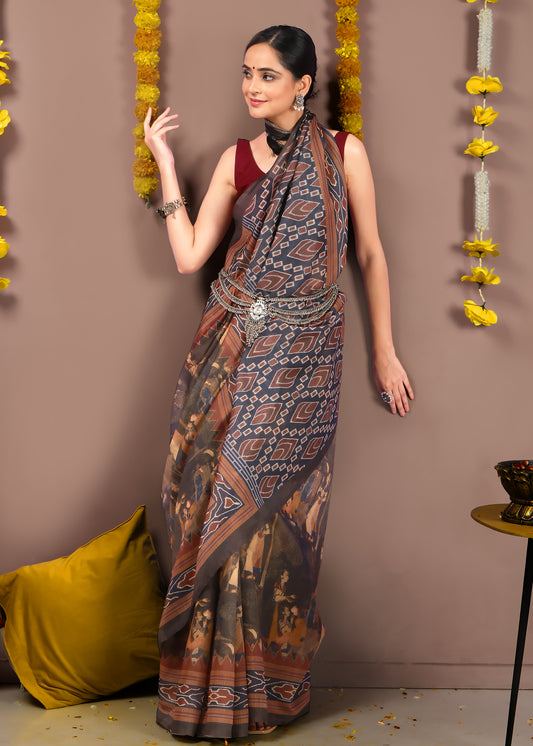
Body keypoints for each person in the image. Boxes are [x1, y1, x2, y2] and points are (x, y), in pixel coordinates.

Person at [143, 25, 414, 740]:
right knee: (215, 514)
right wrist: (164, 163)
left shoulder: (343, 154)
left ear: (302, 84)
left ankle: (259, 694)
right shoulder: (237, 161)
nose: (251, 88)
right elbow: (189, 256)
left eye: (266, 75)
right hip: (231, 351)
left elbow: (370, 253)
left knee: (266, 527)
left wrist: (384, 353)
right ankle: (205, 693)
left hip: (305, 356)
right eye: (245, 74)